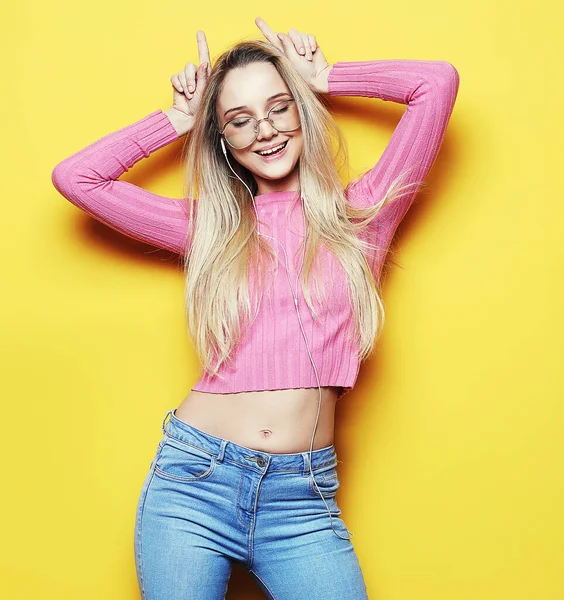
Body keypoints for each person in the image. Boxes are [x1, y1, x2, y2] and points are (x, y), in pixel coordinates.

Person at [51, 16, 459, 600]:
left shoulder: (362, 215)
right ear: (223, 140)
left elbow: (436, 83)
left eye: (279, 108)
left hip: (304, 500)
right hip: (194, 482)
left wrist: (328, 76)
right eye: (239, 121)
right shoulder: (212, 228)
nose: (264, 131)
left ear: (301, 111)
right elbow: (78, 178)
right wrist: (177, 121)